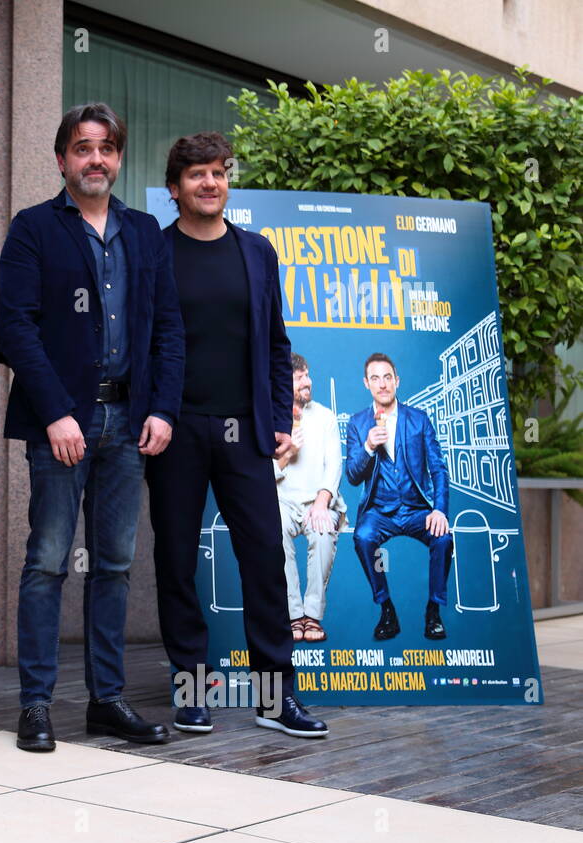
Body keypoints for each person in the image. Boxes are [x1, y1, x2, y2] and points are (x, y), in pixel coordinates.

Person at [0, 103, 184, 753]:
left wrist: (162, 408)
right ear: (61, 159)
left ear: (119, 158)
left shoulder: (144, 233)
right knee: (47, 563)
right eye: (83, 148)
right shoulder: (33, 229)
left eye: (106, 148)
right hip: (63, 426)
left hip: (129, 423)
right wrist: (54, 411)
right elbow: (14, 326)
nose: (95, 158)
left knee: (113, 565)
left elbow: (166, 329)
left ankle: (106, 701)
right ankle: (37, 705)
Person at [148, 131, 327, 738]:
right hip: (174, 433)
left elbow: (277, 344)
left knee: (264, 563)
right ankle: (193, 691)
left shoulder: (257, 251)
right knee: (176, 562)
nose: (209, 182)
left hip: (246, 432)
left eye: (218, 172)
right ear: (175, 190)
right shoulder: (155, 250)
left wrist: (281, 419)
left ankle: (276, 700)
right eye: (195, 174)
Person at [346, 352, 453, 641]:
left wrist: (439, 510)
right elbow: (353, 476)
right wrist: (368, 445)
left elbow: (439, 469)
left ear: (397, 381)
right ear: (366, 383)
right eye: (375, 378)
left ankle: (433, 611)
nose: (382, 384)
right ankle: (387, 610)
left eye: (387, 377)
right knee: (363, 537)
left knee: (444, 539)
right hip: (380, 511)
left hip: (418, 509)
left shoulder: (418, 420)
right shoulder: (357, 424)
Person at [274, 352, 346, 643]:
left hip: (317, 500)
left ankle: (311, 615)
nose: (308, 382)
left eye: (307, 375)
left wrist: (322, 499)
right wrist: (288, 454)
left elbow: (335, 464)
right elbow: (259, 473)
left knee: (324, 529)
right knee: (272, 528)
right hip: (281, 501)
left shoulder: (326, 417)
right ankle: (293, 615)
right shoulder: (267, 416)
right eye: (300, 377)